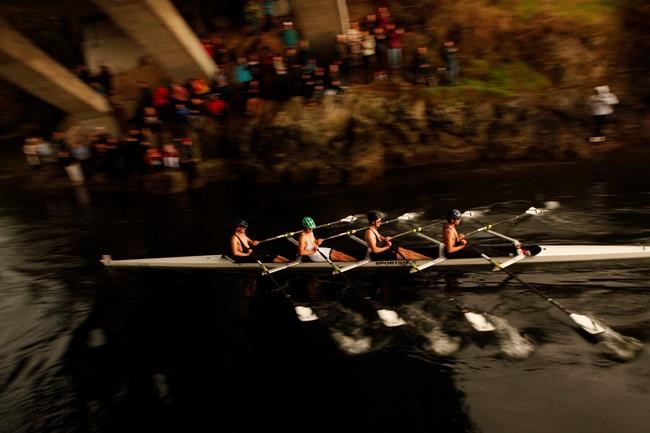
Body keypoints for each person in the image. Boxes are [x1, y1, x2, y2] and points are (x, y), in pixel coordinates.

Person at [364, 211, 431, 260]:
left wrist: (385, 239)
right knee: (408, 256)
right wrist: (387, 247)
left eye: (380, 221)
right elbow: (375, 250)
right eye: (379, 221)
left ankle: (430, 259)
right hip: (380, 255)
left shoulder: (374, 229)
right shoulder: (369, 233)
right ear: (373, 222)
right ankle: (429, 262)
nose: (381, 223)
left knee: (409, 252)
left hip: (386, 249)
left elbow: (380, 237)